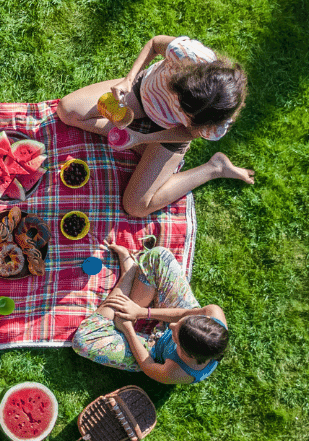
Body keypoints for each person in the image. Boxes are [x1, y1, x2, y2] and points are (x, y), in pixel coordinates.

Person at [57, 35, 256, 218]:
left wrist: (145, 138)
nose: (176, 108)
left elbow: (187, 133)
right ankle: (142, 150)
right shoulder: (188, 54)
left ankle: (214, 168)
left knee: (135, 206)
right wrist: (128, 80)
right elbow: (154, 43)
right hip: (141, 94)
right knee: (68, 111)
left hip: (170, 133)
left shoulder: (216, 125)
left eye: (187, 115)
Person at [72, 239, 230, 384]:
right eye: (180, 324)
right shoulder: (213, 313)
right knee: (159, 257)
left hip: (153, 350)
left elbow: (148, 366)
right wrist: (141, 312)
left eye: (175, 333)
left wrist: (128, 331)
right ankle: (129, 289)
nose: (172, 325)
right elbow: (182, 314)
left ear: (187, 354)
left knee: (84, 340)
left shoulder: (177, 372)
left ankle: (128, 276)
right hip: (170, 314)